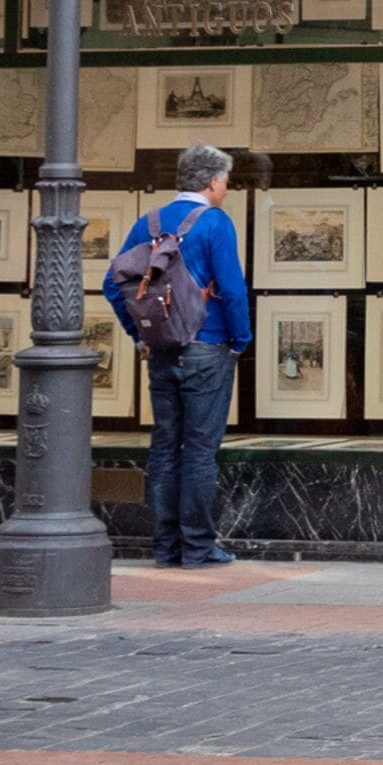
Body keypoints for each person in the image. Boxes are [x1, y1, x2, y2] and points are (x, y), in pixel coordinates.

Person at [110, 144, 252, 568]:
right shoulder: (215, 222)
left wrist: (140, 334)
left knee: (165, 447)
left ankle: (166, 547)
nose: (226, 189)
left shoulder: (149, 222)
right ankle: (197, 547)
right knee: (200, 450)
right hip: (208, 347)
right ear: (213, 181)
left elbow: (113, 284)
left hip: (162, 349)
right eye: (225, 181)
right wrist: (240, 340)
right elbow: (232, 289)